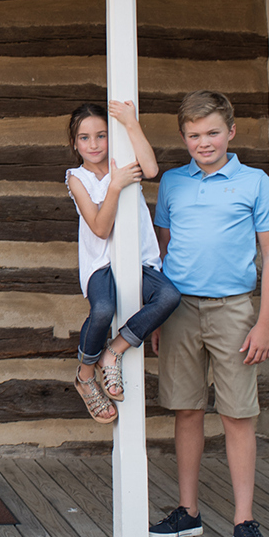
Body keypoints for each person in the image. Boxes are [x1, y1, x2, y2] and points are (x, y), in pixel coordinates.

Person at [148, 91, 269, 537]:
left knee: (237, 414)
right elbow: (162, 251)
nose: (203, 142)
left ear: (231, 132)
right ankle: (188, 511)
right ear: (183, 137)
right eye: (193, 135)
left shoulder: (254, 182)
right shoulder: (172, 183)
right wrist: (158, 314)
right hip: (181, 310)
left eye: (211, 132)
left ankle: (244, 521)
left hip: (235, 311)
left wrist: (264, 321)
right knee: (185, 409)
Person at [64, 101, 180, 423]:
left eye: (101, 136)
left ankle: (113, 351)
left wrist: (130, 123)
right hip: (101, 263)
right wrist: (115, 185)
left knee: (169, 296)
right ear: (75, 143)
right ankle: (86, 376)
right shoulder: (77, 178)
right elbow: (100, 228)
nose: (94, 145)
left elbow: (153, 170)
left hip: (139, 257)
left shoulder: (125, 161)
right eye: (85, 138)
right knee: (102, 309)